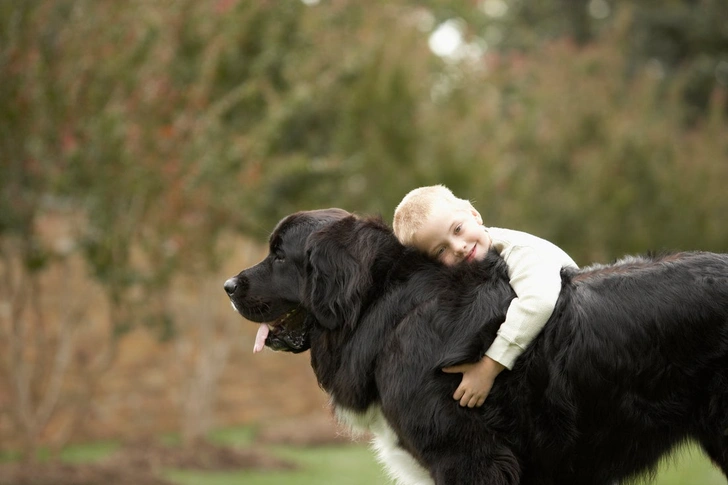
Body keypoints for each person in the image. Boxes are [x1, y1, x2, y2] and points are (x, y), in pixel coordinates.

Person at [392, 185, 578, 408]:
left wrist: (489, 366)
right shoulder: (475, 269)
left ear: (474, 214)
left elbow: (539, 302)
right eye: (441, 251)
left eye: (458, 229)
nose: (458, 247)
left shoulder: (519, 251)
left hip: (577, 338)